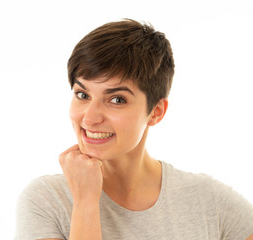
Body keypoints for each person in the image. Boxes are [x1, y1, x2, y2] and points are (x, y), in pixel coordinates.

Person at [14, 19, 253, 240]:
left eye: (117, 99)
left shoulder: (207, 199)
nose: (90, 117)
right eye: (82, 94)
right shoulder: (46, 200)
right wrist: (86, 202)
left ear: (156, 112)